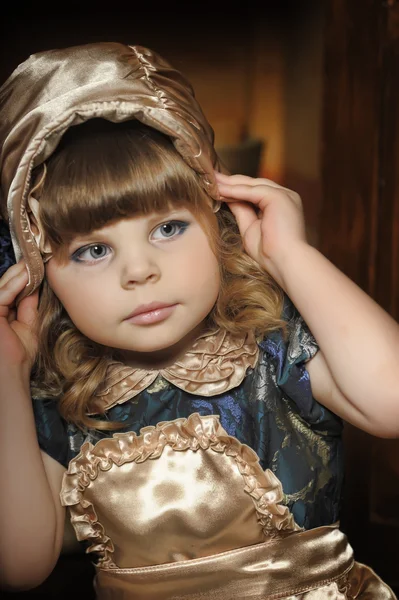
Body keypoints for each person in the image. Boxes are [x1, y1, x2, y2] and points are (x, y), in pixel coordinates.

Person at [0, 43, 397, 600]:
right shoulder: (56, 398)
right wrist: (6, 373)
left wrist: (290, 255)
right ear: (38, 274)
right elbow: (20, 565)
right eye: (93, 250)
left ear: (216, 218)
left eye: (168, 228)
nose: (140, 271)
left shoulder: (269, 345)